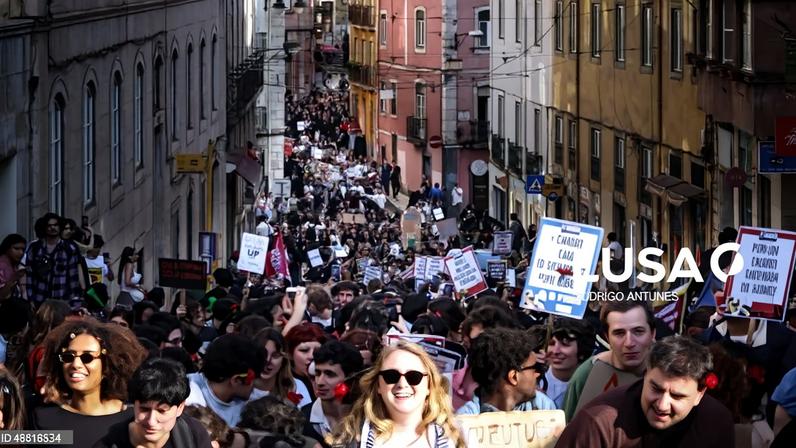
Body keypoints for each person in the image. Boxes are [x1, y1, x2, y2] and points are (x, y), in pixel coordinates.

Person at [555, 335, 735, 447]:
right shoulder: (598, 424)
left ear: (700, 394)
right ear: (646, 374)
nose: (662, 405)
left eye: (677, 396)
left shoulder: (717, 423)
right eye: (656, 389)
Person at [33, 319, 148, 447]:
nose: (76, 364)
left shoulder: (133, 420)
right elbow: (9, 438)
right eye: (68, 357)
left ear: (108, 365)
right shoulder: (45, 418)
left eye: (87, 358)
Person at [332, 340, 468, 448]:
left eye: (414, 376)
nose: (402, 384)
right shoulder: (351, 440)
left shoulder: (457, 438)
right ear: (378, 385)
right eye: (391, 376)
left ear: (429, 385)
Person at [562, 299, 656, 421]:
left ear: (652, 333)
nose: (629, 343)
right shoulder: (588, 372)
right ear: (607, 337)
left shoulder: (667, 373)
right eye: (619, 333)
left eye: (638, 331)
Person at [95, 357, 213, 447]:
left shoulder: (193, 435)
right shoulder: (109, 441)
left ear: (180, 408)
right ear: (134, 405)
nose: (151, 421)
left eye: (162, 411)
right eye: (144, 409)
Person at [458, 328, 555, 414]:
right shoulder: (465, 422)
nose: (538, 374)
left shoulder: (544, 407)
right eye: (535, 368)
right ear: (513, 377)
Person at [185, 334, 267, 427]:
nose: (255, 386)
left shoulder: (253, 401)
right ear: (236, 380)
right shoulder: (187, 397)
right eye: (253, 379)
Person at [301, 340, 364, 446]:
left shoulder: (368, 416)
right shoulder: (302, 418)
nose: (320, 382)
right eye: (317, 373)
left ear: (350, 378)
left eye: (330, 374)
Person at [25, 213, 83, 306]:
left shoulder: (69, 248)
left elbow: (73, 277)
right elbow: (29, 275)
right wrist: (30, 299)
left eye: (55, 225)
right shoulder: (35, 248)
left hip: (62, 301)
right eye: (49, 225)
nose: (52, 228)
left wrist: (75, 302)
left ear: (60, 227)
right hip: (40, 300)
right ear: (44, 228)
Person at [539, 318, 596, 409]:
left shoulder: (592, 386)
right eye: (552, 343)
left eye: (565, 344)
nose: (555, 351)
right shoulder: (535, 381)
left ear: (583, 350)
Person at [253, 328, 312, 407]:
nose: (267, 360)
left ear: (283, 361)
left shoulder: (296, 386)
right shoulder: (241, 389)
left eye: (275, 355)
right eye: (263, 354)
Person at [285, 323, 329, 403]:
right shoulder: (283, 383)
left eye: (317, 350)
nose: (312, 356)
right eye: (304, 350)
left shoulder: (330, 378)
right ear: (290, 354)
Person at [0, 234, 26, 301]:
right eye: (16, 248)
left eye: (23, 249)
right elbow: (2, 295)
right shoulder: (2, 266)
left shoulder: (15, 264)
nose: (21, 252)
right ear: (7, 248)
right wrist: (13, 278)